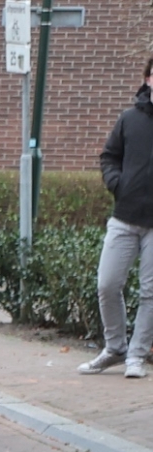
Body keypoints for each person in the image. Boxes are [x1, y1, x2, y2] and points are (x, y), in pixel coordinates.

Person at [84, 57, 153, 376]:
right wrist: (116, 183)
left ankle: (136, 356)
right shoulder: (129, 119)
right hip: (125, 216)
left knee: (150, 292)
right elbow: (109, 156)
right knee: (107, 284)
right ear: (148, 79)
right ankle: (115, 347)